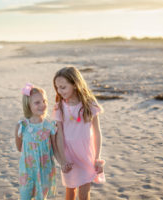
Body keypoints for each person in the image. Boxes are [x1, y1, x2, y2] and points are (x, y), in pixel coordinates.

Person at [52, 66, 106, 200]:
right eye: (57, 87)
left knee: (84, 192)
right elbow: (59, 135)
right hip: (68, 154)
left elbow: (97, 132)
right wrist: (62, 160)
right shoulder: (59, 106)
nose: (59, 91)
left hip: (86, 153)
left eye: (63, 87)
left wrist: (97, 158)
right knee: (70, 191)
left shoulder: (89, 103)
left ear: (75, 85)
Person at [15, 83, 58, 200]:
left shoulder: (49, 126)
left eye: (44, 101)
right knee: (25, 196)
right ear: (28, 105)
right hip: (27, 170)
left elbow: (54, 149)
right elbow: (19, 148)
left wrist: (63, 162)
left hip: (44, 169)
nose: (42, 105)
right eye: (37, 102)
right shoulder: (22, 125)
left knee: (41, 197)